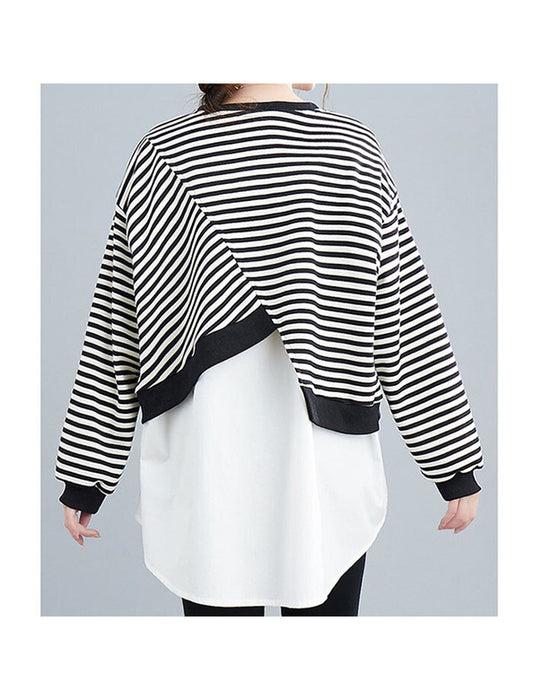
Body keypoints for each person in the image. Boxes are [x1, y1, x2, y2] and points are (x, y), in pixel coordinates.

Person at [55, 83, 483, 616]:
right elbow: (407, 322)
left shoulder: (163, 155)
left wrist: (86, 477)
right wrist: (453, 464)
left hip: (210, 462)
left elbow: (115, 332)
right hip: (322, 457)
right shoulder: (351, 150)